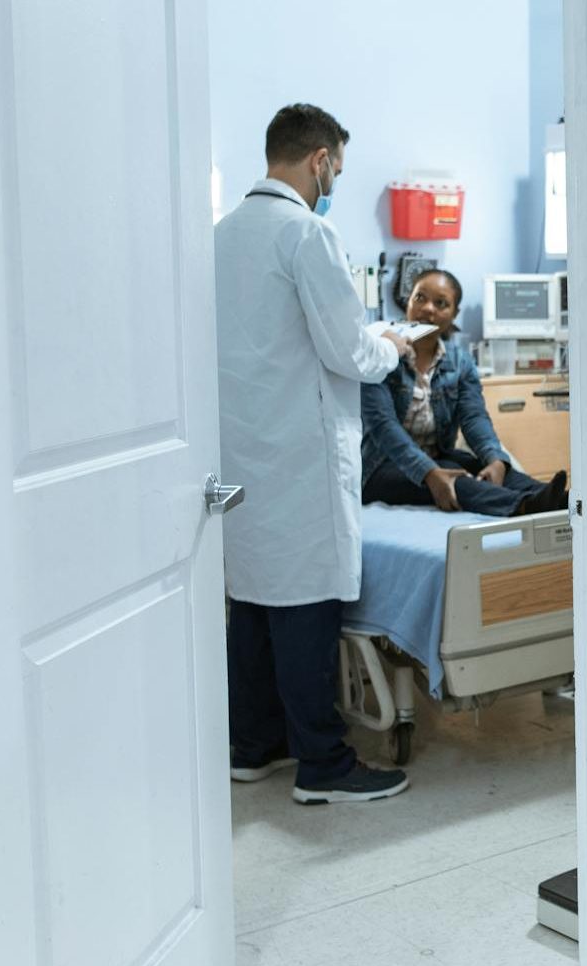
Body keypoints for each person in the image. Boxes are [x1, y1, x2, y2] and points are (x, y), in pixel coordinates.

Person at [216, 103, 412, 805]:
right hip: (299, 453)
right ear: (321, 159)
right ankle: (322, 764)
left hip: (242, 452)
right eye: (337, 169)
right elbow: (348, 350)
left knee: (254, 603)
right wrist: (389, 346)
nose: (334, 181)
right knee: (303, 606)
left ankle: (251, 744)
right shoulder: (307, 234)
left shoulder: (221, 236)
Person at [360, 269, 569, 515]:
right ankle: (522, 507)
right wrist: (430, 473)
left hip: (438, 456)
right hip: (380, 468)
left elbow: (474, 418)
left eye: (441, 303)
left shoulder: (460, 362)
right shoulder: (381, 357)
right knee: (458, 482)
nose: (428, 308)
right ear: (408, 301)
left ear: (454, 313)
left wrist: (495, 460)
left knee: (494, 469)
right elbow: (384, 428)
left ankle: (557, 502)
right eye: (420, 298)